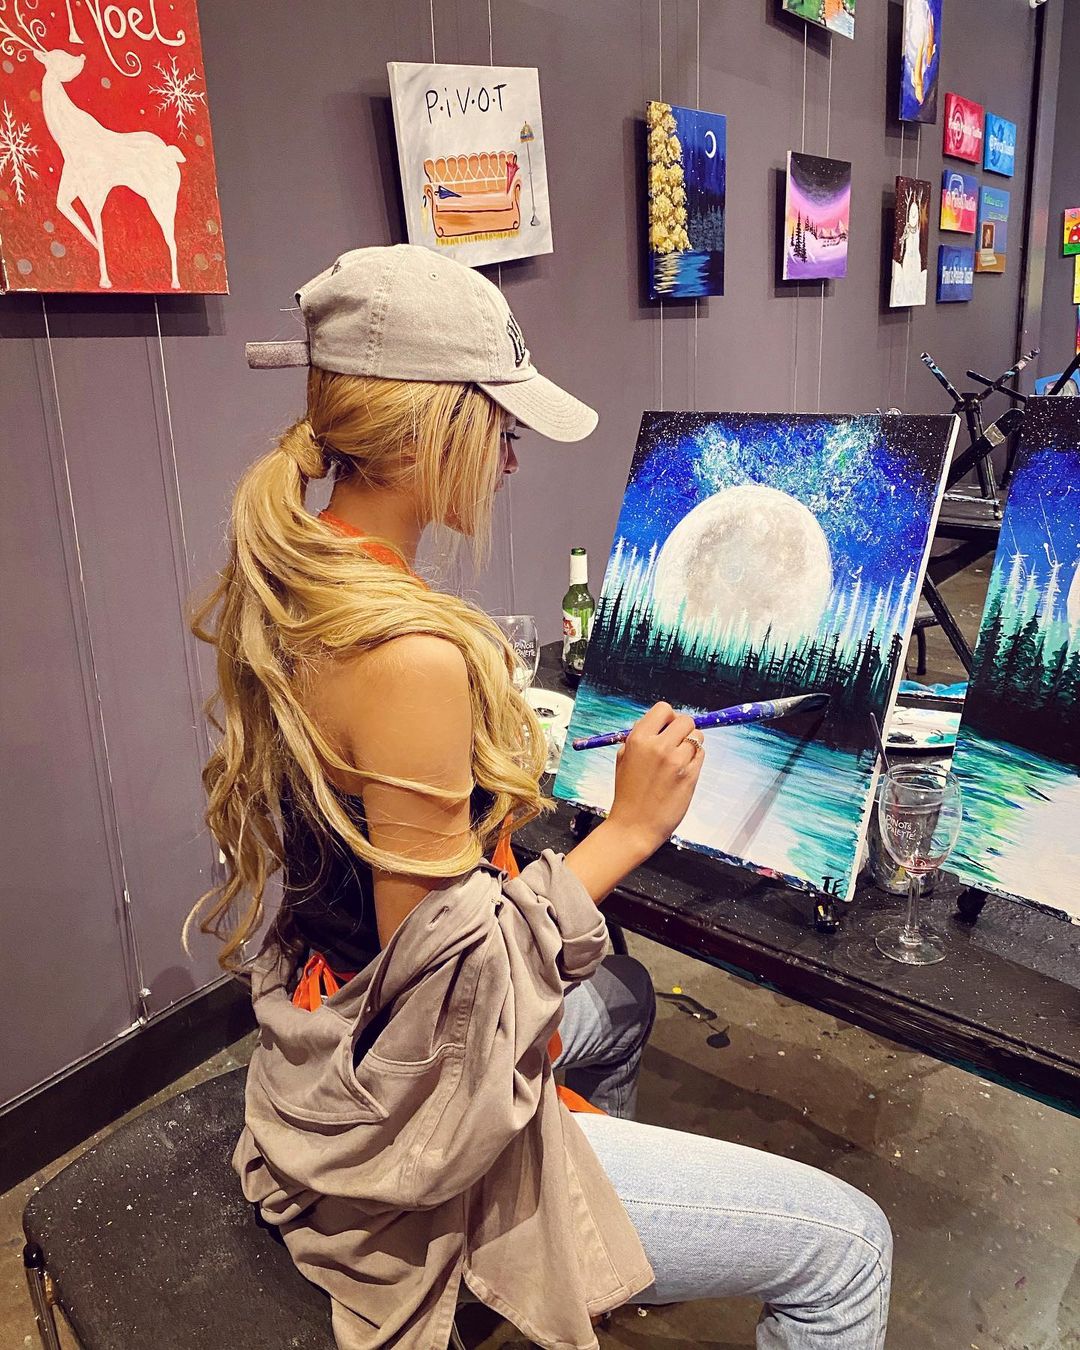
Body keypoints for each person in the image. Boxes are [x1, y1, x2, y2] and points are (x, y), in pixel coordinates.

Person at [187, 244, 892, 1350]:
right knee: (850, 1247)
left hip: (333, 1026)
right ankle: (537, 1235)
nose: (513, 457)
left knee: (624, 1000)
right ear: (426, 433)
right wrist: (631, 829)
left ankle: (587, 1261)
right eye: (502, 425)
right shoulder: (407, 652)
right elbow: (449, 990)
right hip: (406, 1122)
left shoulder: (298, 576)